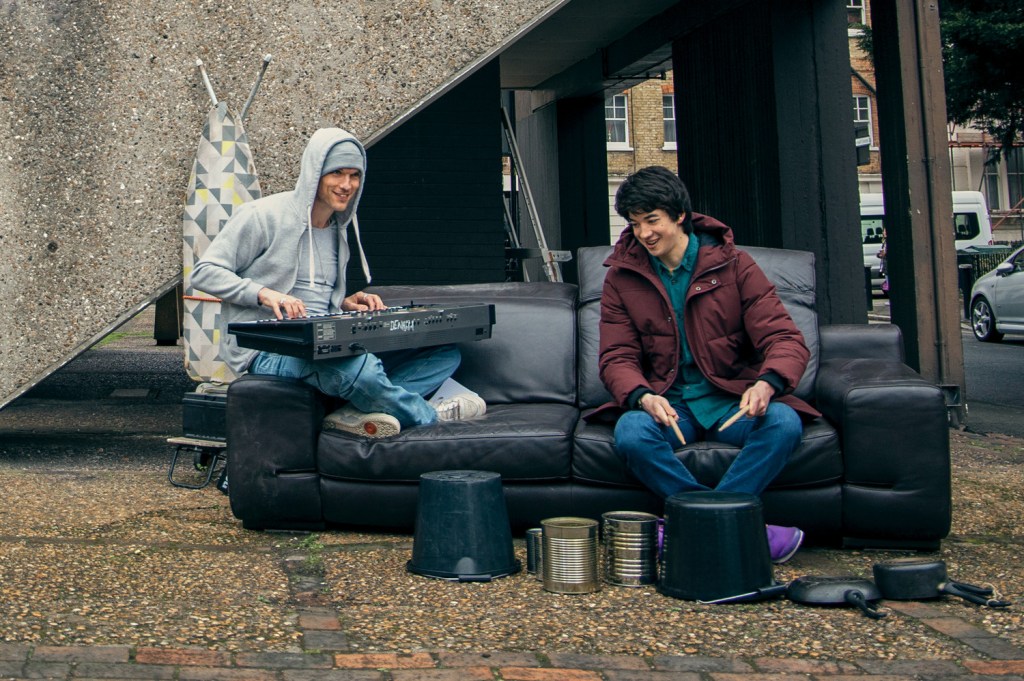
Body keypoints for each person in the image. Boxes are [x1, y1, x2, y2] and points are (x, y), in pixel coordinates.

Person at [193, 128, 485, 439]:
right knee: (361, 367)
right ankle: (429, 417)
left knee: (443, 354)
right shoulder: (262, 216)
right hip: (264, 350)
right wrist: (264, 294)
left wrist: (343, 303)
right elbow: (205, 272)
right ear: (314, 172)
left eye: (354, 175)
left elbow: (313, 299)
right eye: (336, 173)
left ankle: (354, 415)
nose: (346, 185)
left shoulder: (337, 228)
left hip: (322, 342)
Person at [592, 166, 821, 564]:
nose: (644, 233)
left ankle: (690, 526)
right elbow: (616, 356)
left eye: (652, 221)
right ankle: (733, 526)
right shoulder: (622, 276)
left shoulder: (735, 265)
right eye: (634, 223)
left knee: (784, 423)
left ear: (679, 215)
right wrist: (642, 395)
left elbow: (784, 339)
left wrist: (766, 384)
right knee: (631, 431)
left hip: (731, 399)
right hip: (671, 404)